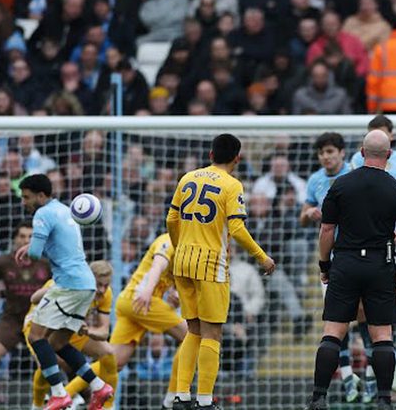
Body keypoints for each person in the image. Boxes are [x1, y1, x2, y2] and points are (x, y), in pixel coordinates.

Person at [303, 129, 396, 410]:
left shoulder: (340, 185)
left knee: (333, 332)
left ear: (362, 153)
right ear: (388, 156)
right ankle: (384, 401)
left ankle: (318, 398)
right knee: (382, 336)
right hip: (381, 264)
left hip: (346, 262)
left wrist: (325, 264)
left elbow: (326, 230)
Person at [167, 134, 276, 410]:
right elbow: (237, 229)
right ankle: (204, 401)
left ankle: (181, 396)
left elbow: (171, 219)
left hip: (182, 261)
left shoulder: (187, 178)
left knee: (192, 330)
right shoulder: (232, 185)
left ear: (210, 154)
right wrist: (262, 258)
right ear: (237, 158)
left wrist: (180, 247)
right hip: (210, 264)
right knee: (212, 333)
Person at [14, 174, 114, 410]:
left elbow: (37, 255)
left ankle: (59, 393)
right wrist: (34, 243)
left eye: (27, 197)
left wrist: (31, 247)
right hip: (85, 285)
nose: (24, 202)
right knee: (58, 343)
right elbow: (59, 242)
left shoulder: (43, 214)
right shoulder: (63, 210)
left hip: (68, 284)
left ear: (41, 196)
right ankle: (99, 387)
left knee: (35, 336)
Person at [350, 115, 396, 395]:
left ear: (391, 137)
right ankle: (381, 366)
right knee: (362, 307)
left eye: (381, 133)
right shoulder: (357, 161)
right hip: (371, 242)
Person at [301, 132, 364, 402]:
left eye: (329, 151)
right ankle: (349, 376)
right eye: (321, 153)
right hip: (332, 259)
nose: (325, 157)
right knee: (338, 321)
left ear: (341, 152)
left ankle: (371, 374)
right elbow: (303, 217)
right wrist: (309, 213)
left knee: (365, 317)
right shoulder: (315, 180)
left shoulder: (356, 173)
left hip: (361, 254)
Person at [0, 221, 51, 410]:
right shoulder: (3, 262)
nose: (26, 240)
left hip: (38, 322)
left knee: (56, 362)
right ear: (15, 238)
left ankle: (71, 400)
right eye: (22, 236)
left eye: (30, 236)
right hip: (11, 322)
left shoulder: (45, 264)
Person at [24, 261, 118, 410]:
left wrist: (88, 331)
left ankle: (106, 405)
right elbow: (34, 299)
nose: (102, 290)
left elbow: (104, 332)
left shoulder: (105, 294)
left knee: (108, 352)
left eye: (106, 285)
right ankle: (40, 404)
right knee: (48, 361)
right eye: (98, 284)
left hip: (71, 326)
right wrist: (56, 287)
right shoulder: (68, 281)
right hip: (39, 325)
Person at [110, 233, 187, 410]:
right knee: (192, 337)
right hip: (142, 299)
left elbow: (177, 284)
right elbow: (157, 266)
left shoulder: (186, 248)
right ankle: (171, 399)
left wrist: (176, 295)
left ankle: (70, 393)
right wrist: (147, 290)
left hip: (131, 302)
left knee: (114, 363)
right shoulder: (168, 240)